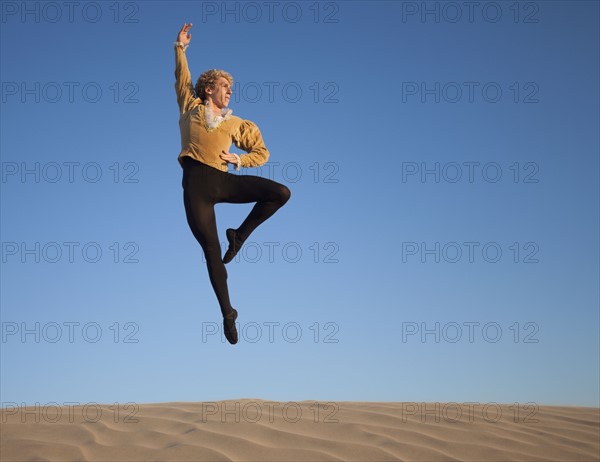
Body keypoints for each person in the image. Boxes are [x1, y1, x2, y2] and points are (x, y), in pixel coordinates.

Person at [174, 23, 291, 345]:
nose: (229, 92)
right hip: (196, 185)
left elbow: (261, 152)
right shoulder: (191, 107)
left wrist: (239, 160)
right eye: (224, 86)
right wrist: (180, 48)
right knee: (210, 250)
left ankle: (240, 235)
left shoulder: (237, 123)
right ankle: (228, 313)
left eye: (230, 88)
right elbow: (181, 79)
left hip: (223, 180)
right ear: (208, 88)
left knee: (279, 193)